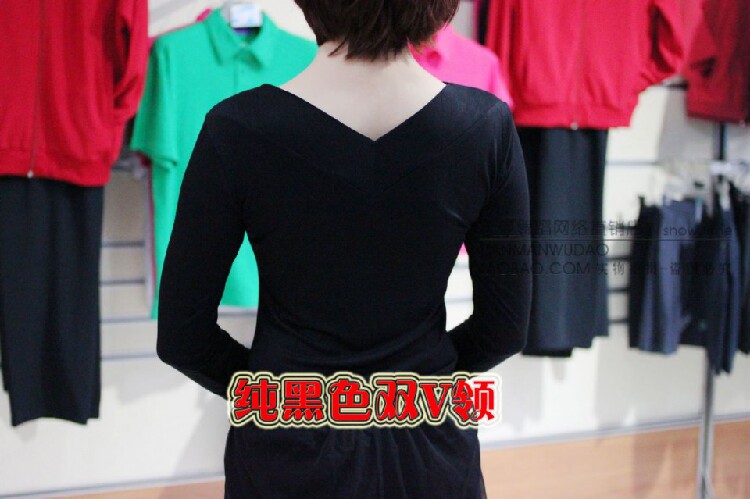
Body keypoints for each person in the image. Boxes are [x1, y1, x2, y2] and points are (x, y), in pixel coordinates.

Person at [156, 1, 532, 497]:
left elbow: (182, 336)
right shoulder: (484, 127)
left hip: (285, 452)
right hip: (429, 449)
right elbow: (504, 328)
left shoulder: (238, 128)